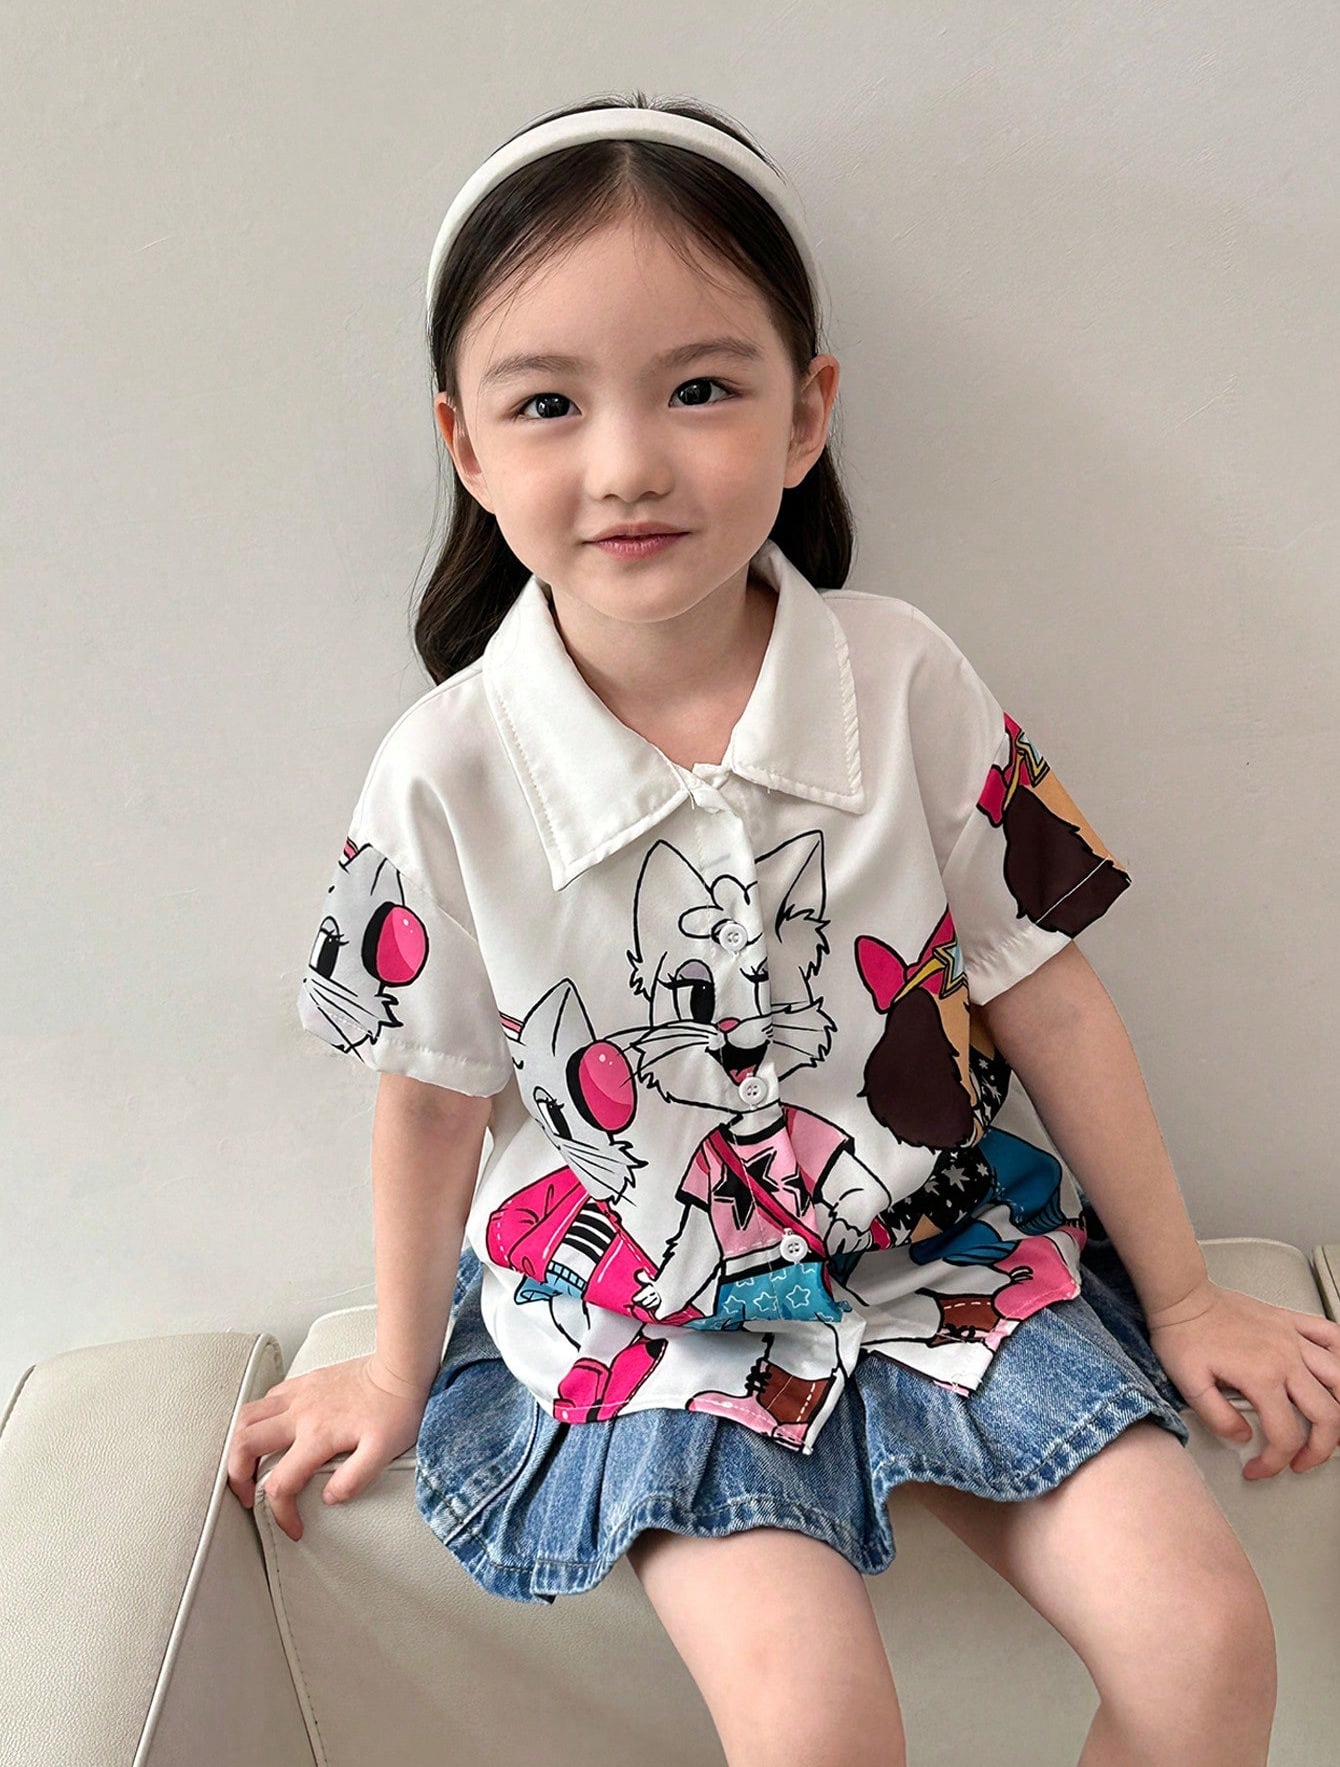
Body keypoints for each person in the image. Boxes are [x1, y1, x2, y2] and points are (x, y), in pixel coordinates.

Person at [228, 92, 1338, 1766]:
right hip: (653, 1317)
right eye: (549, 403)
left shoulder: (905, 676)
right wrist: (394, 1367)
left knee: (1203, 1640)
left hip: (943, 1253)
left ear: (807, 412)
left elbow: (1046, 990)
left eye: (700, 388)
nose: (628, 462)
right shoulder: (443, 770)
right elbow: (432, 1093)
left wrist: (1182, 1299)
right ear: (466, 445)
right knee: (816, 1728)